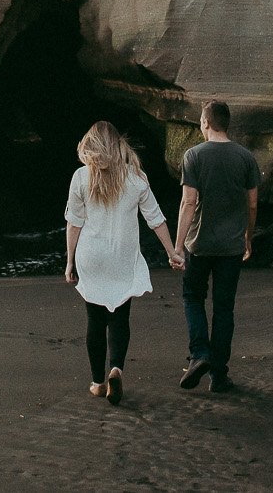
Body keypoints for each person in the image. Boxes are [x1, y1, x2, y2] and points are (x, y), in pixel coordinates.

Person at [64, 121, 184, 404]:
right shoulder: (136, 178)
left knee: (95, 319)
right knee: (119, 316)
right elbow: (156, 219)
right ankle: (116, 368)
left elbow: (74, 224)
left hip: (91, 257)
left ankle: (97, 382)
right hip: (122, 257)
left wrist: (69, 262)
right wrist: (172, 253)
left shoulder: (81, 178)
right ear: (118, 145)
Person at [174, 99, 260, 393]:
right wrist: (248, 236)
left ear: (206, 123)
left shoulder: (193, 156)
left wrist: (178, 246)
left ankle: (200, 355)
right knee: (224, 308)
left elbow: (188, 202)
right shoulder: (246, 157)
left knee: (193, 298)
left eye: (201, 120)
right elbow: (252, 205)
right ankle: (219, 376)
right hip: (231, 248)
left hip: (199, 244)